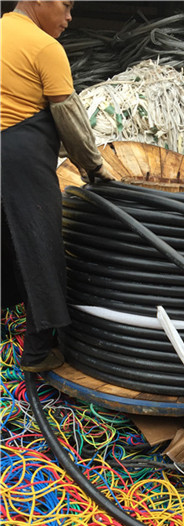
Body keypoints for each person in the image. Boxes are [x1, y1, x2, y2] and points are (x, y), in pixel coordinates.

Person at [1, 1, 112, 373]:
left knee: (7, 243)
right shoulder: (45, 47)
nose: (69, 17)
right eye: (65, 5)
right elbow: (71, 122)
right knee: (40, 247)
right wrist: (96, 168)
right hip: (20, 159)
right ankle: (37, 353)